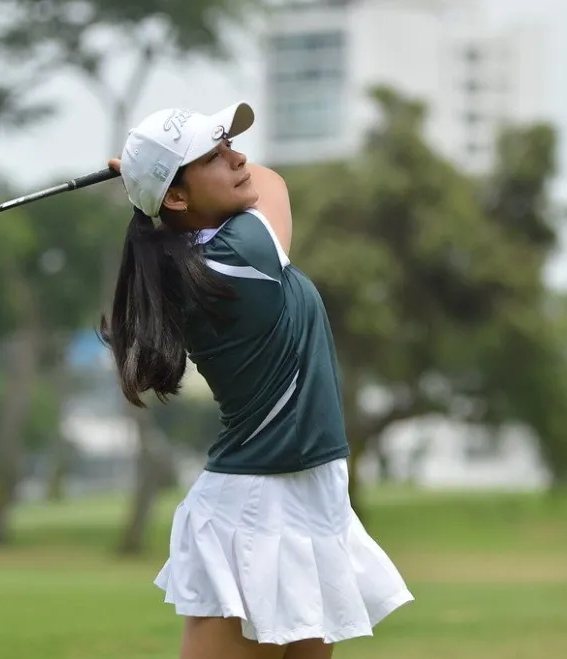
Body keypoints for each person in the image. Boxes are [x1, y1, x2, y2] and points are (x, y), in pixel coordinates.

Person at [101, 102, 413, 659]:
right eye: (215, 155)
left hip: (307, 495)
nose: (238, 157)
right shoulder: (240, 254)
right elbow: (271, 183)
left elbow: (226, 190)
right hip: (256, 511)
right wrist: (140, 172)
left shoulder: (201, 256)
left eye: (229, 146)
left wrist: (146, 175)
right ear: (176, 197)